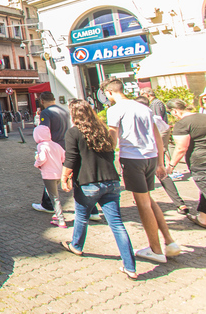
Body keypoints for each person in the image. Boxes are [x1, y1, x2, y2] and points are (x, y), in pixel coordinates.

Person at [102, 78, 180, 263]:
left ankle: (156, 249)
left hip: (133, 158)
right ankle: (169, 241)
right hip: (151, 157)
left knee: (142, 203)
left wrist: (106, 155)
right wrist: (161, 162)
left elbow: (113, 136)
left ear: (109, 92)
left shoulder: (115, 110)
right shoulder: (143, 107)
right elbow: (157, 135)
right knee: (148, 200)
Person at [60, 99, 138, 279]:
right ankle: (130, 266)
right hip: (111, 180)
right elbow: (111, 151)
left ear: (73, 115)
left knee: (81, 217)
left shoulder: (73, 132)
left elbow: (71, 159)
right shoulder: (103, 130)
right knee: (117, 224)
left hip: (88, 182)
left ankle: (77, 246)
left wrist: (64, 177)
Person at [167, 98, 206, 232]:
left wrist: (171, 166)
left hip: (202, 163)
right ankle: (203, 218)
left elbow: (181, 148)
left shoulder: (182, 124)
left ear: (175, 111)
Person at [135, 96, 189, 215]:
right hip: (156, 153)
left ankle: (144, 202)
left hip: (140, 155)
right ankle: (180, 204)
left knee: (142, 178)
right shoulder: (155, 119)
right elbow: (165, 131)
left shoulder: (135, 119)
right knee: (163, 176)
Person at [33, 125, 66, 228]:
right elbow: (64, 157)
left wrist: (37, 163)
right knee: (53, 194)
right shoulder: (56, 145)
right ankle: (57, 214)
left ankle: (60, 219)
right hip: (59, 173)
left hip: (48, 175)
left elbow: (42, 158)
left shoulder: (41, 146)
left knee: (54, 198)